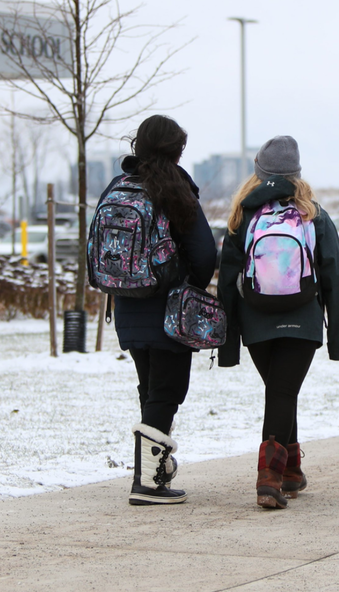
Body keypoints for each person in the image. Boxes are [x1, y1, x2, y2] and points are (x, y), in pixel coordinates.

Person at [218, 136, 339, 510]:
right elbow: (334, 280)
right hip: (302, 321)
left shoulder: (242, 216)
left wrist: (227, 343)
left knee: (280, 391)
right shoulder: (314, 215)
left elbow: (227, 281)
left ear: (258, 172)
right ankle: (269, 479)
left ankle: (291, 470)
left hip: (255, 321)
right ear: (297, 174)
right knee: (282, 392)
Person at [95, 115, 218, 506]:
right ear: (175, 150)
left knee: (151, 390)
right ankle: (148, 482)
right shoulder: (175, 189)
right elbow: (204, 254)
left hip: (127, 306)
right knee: (166, 391)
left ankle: (155, 471)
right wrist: (189, 289)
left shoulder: (117, 187)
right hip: (168, 309)